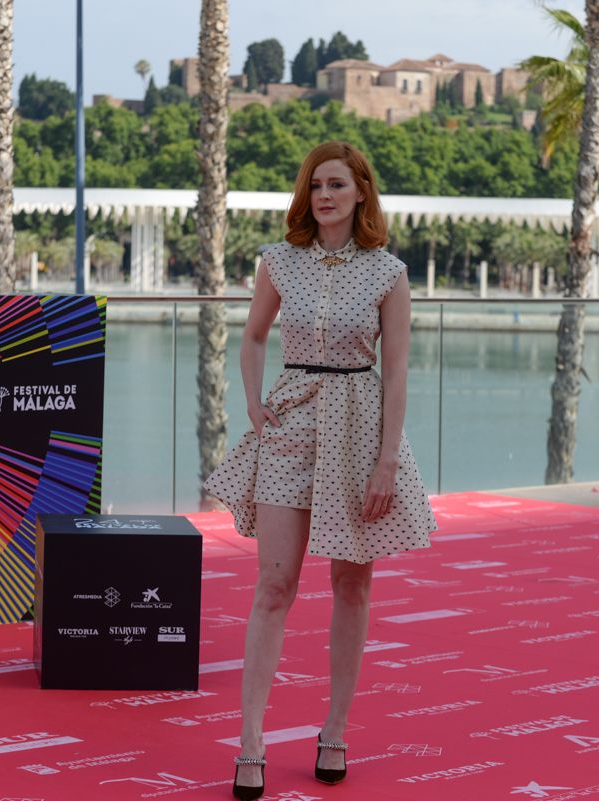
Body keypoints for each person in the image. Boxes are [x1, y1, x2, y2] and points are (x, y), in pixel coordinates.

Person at [203, 141, 436, 800]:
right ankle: (250, 740)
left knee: (350, 585)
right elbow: (251, 337)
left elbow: (396, 372)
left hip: (361, 428)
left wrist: (387, 458)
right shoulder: (278, 262)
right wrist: (251, 401)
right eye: (314, 186)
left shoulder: (388, 273)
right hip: (291, 420)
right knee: (273, 585)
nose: (323, 195)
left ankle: (334, 727)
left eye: (335, 184)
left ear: (362, 192)